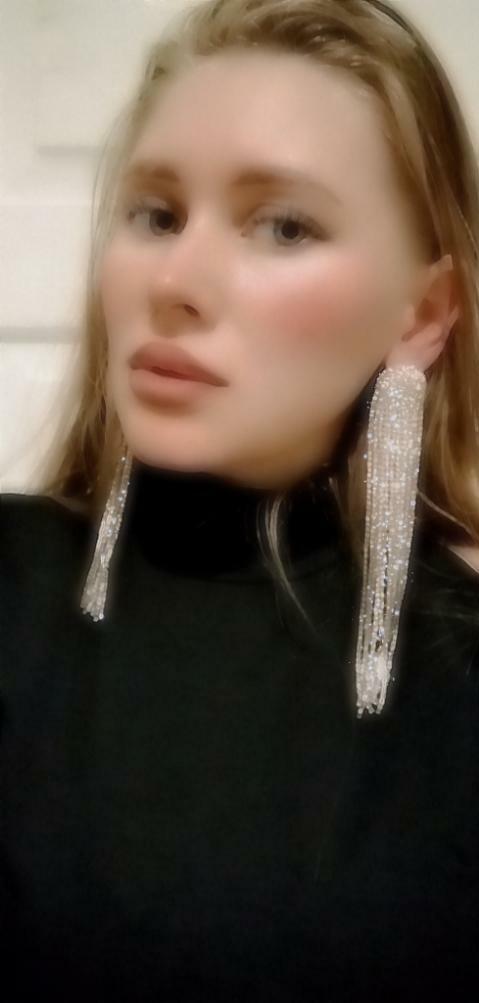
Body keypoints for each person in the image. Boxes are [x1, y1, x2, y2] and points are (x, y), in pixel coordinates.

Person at [1, 0, 479, 999]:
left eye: (283, 225)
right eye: (156, 214)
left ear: (422, 311)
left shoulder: (457, 663)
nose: (175, 279)